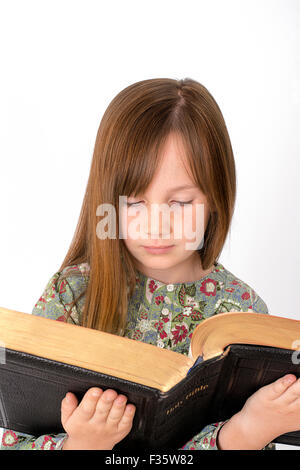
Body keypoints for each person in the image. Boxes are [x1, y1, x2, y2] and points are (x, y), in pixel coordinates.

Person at [2, 77, 297, 451]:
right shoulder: (73, 295)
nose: (157, 226)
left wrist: (252, 429)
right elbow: (15, 440)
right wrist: (83, 443)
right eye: (134, 203)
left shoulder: (241, 314)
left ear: (215, 199)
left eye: (180, 203)